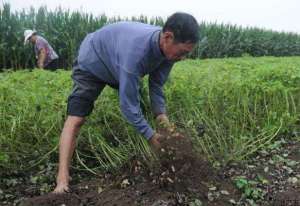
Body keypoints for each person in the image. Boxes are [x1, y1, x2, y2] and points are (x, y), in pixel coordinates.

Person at [53, 12, 199, 193]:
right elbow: (128, 105)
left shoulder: (169, 52)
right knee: (76, 119)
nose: (183, 58)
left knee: (143, 109)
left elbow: (156, 86)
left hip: (117, 63)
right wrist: (151, 137)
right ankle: (62, 179)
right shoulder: (136, 52)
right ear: (168, 37)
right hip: (92, 61)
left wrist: (166, 126)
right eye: (183, 52)